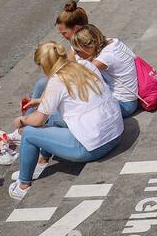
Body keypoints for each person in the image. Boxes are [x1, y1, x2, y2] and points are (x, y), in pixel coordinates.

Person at [10, 41, 123, 200]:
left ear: (45, 64)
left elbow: (38, 120)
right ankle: (41, 161)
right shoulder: (84, 65)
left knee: (29, 133)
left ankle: (23, 185)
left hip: (94, 146)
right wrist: (42, 101)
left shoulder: (56, 81)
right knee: (52, 118)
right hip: (115, 133)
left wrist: (22, 120)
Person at [69, 25, 140, 117]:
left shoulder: (103, 59)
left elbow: (76, 77)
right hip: (129, 98)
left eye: (78, 50)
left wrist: (87, 59)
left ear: (90, 46)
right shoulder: (113, 42)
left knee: (71, 115)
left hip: (124, 105)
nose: (75, 53)